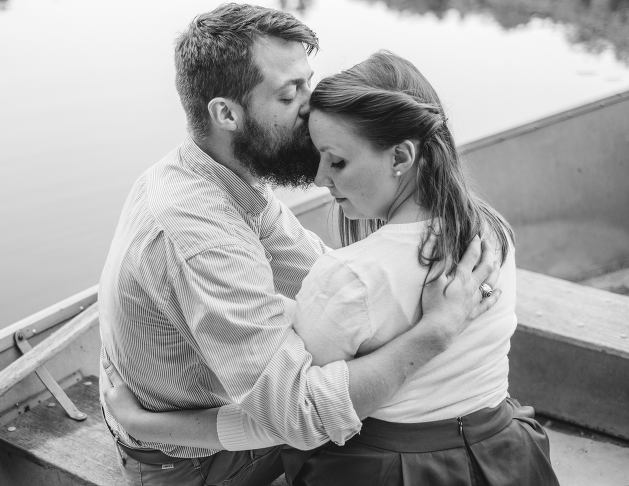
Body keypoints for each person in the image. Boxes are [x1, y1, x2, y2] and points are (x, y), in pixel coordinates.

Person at [104, 51, 560, 486]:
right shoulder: (489, 231)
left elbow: (301, 416)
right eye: (290, 94)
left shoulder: (346, 276)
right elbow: (342, 299)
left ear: (401, 157)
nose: (320, 177)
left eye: (337, 160)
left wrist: (138, 422)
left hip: (400, 469)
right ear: (225, 113)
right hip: (502, 451)